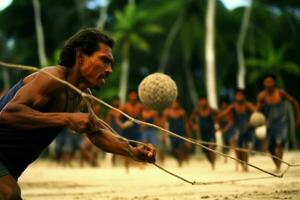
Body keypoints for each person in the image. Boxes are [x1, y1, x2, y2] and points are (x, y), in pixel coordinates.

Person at [0, 28, 155, 200]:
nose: (109, 69)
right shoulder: (52, 78)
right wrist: (66, 118)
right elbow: (8, 114)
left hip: (11, 165)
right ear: (80, 56)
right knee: (10, 194)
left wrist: (132, 151)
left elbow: (96, 133)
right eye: (104, 60)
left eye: (110, 63)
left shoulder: (84, 95)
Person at [256, 74, 300, 172]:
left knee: (280, 144)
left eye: (270, 81)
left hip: (281, 123)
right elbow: (257, 111)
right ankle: (277, 164)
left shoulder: (281, 93)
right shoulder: (262, 96)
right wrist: (256, 121)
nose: (269, 84)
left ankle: (278, 167)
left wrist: (298, 117)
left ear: (274, 82)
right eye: (266, 82)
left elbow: (294, 103)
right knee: (270, 147)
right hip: (269, 123)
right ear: (264, 83)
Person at [218, 89, 255, 172]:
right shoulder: (233, 106)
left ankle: (246, 165)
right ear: (235, 96)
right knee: (237, 149)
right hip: (237, 130)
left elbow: (255, 113)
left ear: (244, 96)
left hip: (247, 130)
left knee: (245, 148)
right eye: (237, 95)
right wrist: (218, 117)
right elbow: (224, 114)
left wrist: (251, 122)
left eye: (241, 95)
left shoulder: (248, 105)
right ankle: (242, 164)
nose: (239, 97)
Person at [190, 97, 217, 170]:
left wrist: (217, 125)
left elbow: (219, 115)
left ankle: (213, 163)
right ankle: (212, 163)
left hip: (211, 132)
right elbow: (191, 120)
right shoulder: (197, 110)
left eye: (204, 101)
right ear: (199, 102)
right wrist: (194, 126)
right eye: (201, 101)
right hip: (202, 134)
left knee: (212, 148)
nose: (203, 102)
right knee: (206, 151)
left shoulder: (211, 110)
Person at [163, 100, 191, 167]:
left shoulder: (182, 112)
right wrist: (164, 134)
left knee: (181, 148)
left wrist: (188, 134)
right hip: (172, 134)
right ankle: (179, 159)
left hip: (181, 133)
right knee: (173, 150)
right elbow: (164, 124)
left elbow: (186, 123)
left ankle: (180, 161)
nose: (175, 104)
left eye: (176, 102)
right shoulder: (167, 112)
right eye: (173, 102)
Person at [217, 99, 236, 163]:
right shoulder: (220, 112)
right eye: (223, 104)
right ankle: (225, 158)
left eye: (225, 104)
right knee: (224, 145)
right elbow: (218, 121)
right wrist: (220, 128)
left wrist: (225, 129)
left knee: (232, 143)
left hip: (229, 130)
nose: (223, 105)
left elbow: (231, 122)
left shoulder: (229, 112)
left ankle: (235, 156)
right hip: (223, 130)